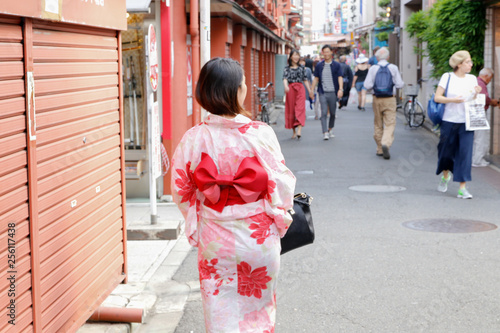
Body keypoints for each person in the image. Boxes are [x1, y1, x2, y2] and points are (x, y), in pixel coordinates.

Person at [171, 57, 296, 332]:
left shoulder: (193, 138)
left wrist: (197, 219)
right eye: (243, 84)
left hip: (216, 240)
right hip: (257, 238)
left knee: (219, 313)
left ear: (205, 91)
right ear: (238, 90)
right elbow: (282, 183)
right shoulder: (260, 133)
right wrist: (278, 214)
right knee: (259, 314)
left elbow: (181, 190)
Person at [434, 50, 481, 199]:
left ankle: (462, 188)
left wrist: (476, 93)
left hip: (467, 121)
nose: (471, 64)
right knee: (445, 152)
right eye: (468, 62)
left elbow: (473, 99)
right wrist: (453, 100)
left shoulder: (472, 78)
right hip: (449, 121)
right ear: (459, 64)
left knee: (465, 154)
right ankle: (445, 175)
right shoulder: (447, 77)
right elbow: (437, 97)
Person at [363, 47, 404, 159]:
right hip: (390, 99)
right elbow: (400, 84)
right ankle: (386, 142)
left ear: (376, 58)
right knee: (390, 123)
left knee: (378, 124)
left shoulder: (373, 69)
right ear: (388, 57)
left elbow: (367, 85)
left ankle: (380, 148)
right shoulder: (393, 68)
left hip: (377, 99)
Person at [309, 45, 344, 140]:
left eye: (328, 51)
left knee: (332, 113)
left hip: (333, 92)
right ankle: (325, 132)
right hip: (322, 92)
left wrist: (341, 89)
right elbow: (316, 78)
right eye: (324, 52)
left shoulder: (336, 65)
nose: (326, 54)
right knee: (323, 112)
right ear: (322, 53)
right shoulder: (319, 66)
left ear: (331, 52)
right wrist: (312, 90)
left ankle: (330, 128)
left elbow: (340, 77)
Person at [283, 49, 312, 139]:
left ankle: (299, 130)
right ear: (291, 57)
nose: (296, 57)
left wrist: (310, 90)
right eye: (294, 55)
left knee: (299, 108)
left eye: (297, 55)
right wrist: (286, 86)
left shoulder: (302, 68)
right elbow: (284, 78)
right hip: (291, 89)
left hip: (300, 89)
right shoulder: (286, 68)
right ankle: (294, 131)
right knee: (291, 109)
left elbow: (305, 80)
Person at [473, 67, 497, 167]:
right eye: (490, 78)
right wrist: (493, 102)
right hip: (479, 112)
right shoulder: (481, 83)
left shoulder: (476, 81)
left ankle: (475, 159)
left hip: (475, 112)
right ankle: (478, 160)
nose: (489, 81)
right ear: (486, 76)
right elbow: (484, 98)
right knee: (480, 136)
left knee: (477, 136)